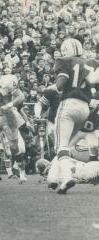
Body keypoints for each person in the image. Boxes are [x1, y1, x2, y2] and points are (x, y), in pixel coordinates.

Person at [52, 38, 99, 194]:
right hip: (86, 108)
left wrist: (55, 86)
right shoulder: (90, 63)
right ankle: (55, 177)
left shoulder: (64, 60)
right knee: (71, 145)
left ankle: (66, 176)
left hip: (69, 104)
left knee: (61, 146)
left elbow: (61, 84)